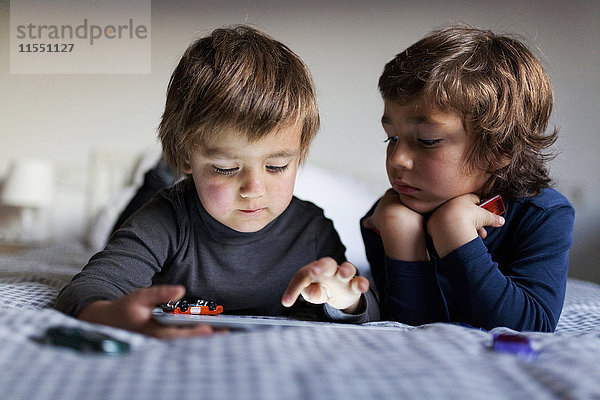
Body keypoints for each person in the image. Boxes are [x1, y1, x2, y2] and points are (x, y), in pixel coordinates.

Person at [55, 25, 376, 339]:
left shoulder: (313, 231)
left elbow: (368, 308)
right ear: (186, 157)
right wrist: (108, 314)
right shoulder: (164, 222)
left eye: (277, 166)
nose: (254, 189)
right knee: (129, 221)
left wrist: (346, 300)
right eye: (225, 168)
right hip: (166, 205)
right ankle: (158, 177)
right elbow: (88, 288)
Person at [359, 25, 575, 332]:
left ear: (499, 148)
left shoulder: (543, 216)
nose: (396, 159)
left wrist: (455, 235)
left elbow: (532, 327)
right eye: (390, 138)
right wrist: (403, 240)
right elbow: (411, 331)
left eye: (428, 140)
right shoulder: (388, 218)